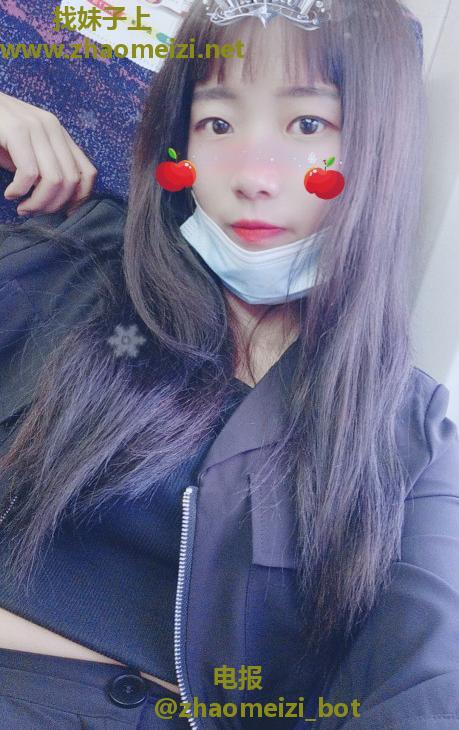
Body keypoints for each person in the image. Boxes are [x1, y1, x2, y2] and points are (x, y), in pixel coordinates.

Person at [0, 0, 458, 728]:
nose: (252, 176)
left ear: (381, 151)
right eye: (216, 123)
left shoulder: (404, 425)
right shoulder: (79, 260)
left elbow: (427, 679)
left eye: (307, 125)